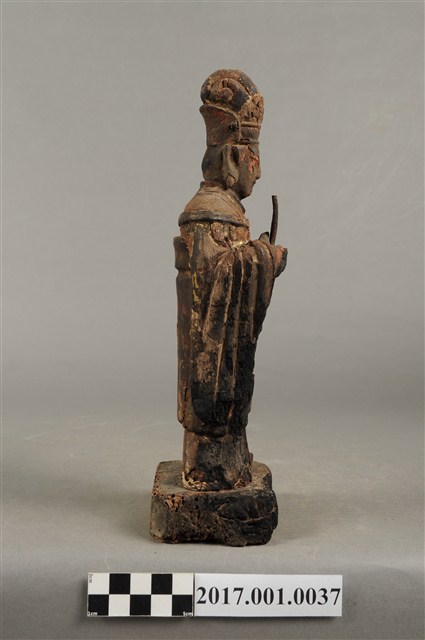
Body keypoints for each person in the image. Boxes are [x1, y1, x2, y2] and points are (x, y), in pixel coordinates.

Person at [174, 69, 287, 491]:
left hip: (222, 360)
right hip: (207, 360)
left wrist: (257, 257)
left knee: (231, 411)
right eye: (252, 155)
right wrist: (264, 259)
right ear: (233, 158)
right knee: (214, 406)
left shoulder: (225, 211)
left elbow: (230, 266)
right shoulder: (208, 212)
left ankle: (231, 462)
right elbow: (215, 279)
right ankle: (209, 472)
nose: (258, 169)